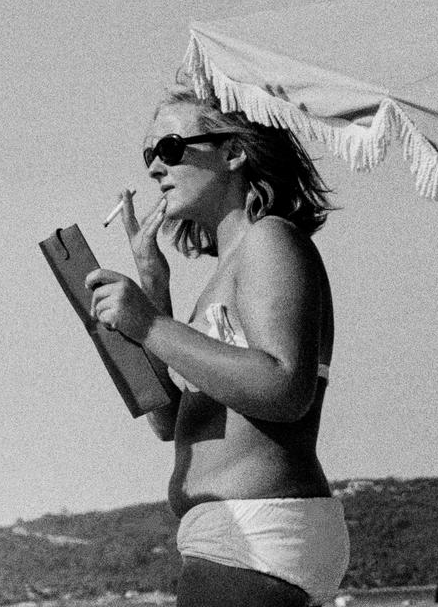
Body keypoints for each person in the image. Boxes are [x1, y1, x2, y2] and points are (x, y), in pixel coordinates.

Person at [85, 83, 349, 607]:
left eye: (170, 149)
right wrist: (152, 287)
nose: (155, 169)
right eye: (148, 156)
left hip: (260, 529)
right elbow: (168, 420)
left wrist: (151, 328)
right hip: (240, 532)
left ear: (233, 152)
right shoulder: (222, 272)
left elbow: (282, 385)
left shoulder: (271, 239)